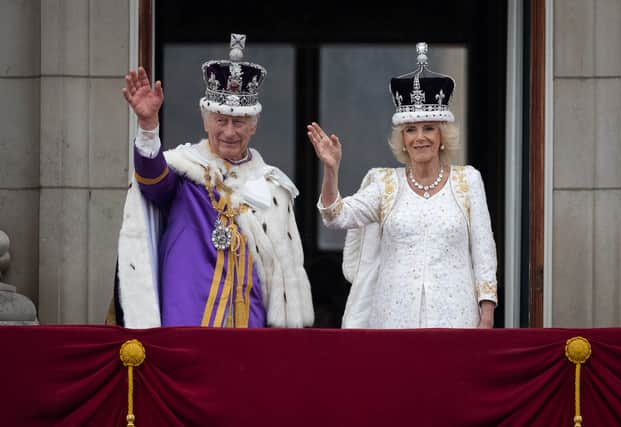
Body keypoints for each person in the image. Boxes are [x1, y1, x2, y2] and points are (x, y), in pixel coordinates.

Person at [107, 33, 314, 328]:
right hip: (188, 316)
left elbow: (280, 272)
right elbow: (153, 182)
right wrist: (148, 127)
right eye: (221, 120)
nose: (229, 131)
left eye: (239, 122)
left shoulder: (272, 187)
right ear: (206, 121)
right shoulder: (185, 172)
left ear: (253, 126)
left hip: (249, 320)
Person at [307, 42, 497, 329]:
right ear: (403, 140)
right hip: (394, 319)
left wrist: (487, 311)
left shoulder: (467, 180)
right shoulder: (385, 184)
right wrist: (331, 171)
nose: (420, 137)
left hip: (456, 317)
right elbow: (337, 216)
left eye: (428, 128)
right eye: (411, 130)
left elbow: (484, 251)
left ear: (442, 134)